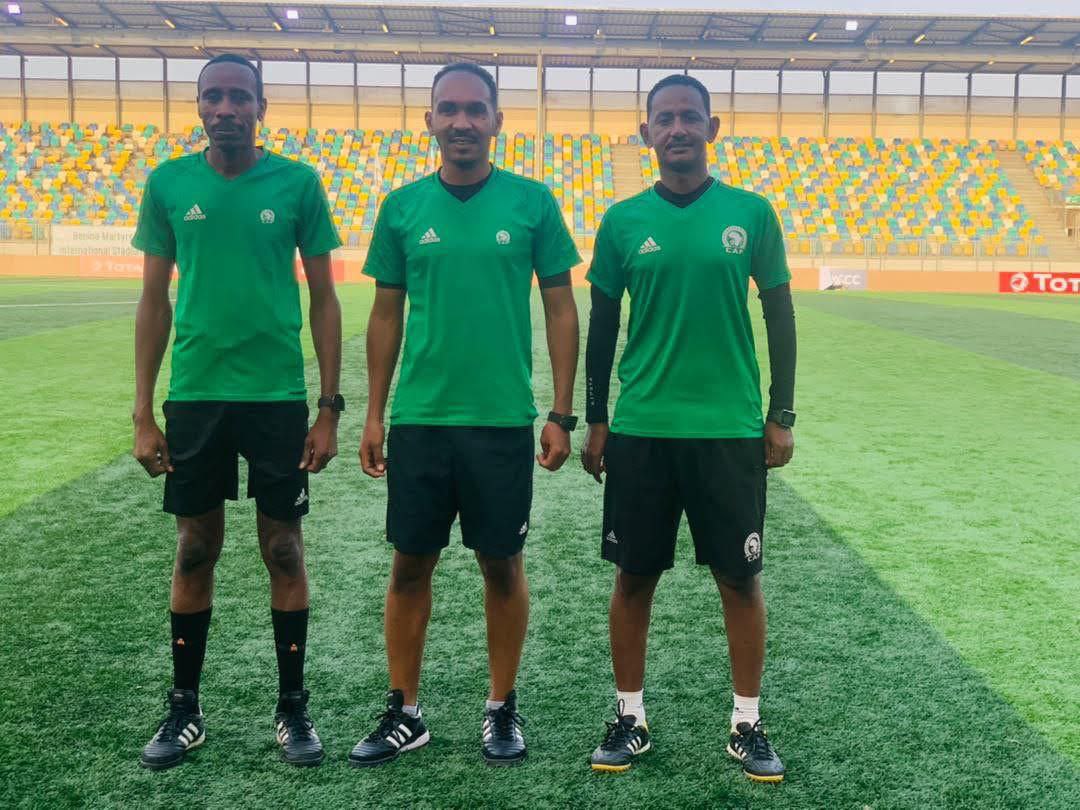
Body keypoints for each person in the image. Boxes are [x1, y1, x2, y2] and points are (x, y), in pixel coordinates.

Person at [350, 62, 581, 768]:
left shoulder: (533, 202)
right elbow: (385, 315)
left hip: (501, 420)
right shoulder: (402, 207)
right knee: (408, 567)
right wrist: (374, 414)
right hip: (421, 419)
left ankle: (501, 707)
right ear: (429, 120)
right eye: (448, 109)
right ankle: (404, 711)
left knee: (502, 566)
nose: (461, 122)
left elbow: (561, 307)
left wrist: (562, 411)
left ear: (496, 121)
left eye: (475, 109)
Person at [581, 74, 797, 782]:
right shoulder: (621, 221)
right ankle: (630, 718)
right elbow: (602, 328)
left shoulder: (751, 213)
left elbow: (779, 315)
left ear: (713, 127)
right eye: (665, 118)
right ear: (646, 131)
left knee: (740, 577)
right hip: (643, 428)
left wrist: (781, 413)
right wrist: (596, 418)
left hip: (729, 429)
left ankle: (747, 723)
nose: (677, 128)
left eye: (690, 117)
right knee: (633, 577)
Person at [130, 53, 343, 770]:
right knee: (195, 548)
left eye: (239, 97)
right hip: (195, 395)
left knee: (284, 549)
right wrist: (142, 412)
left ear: (260, 107)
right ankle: (184, 709)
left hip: (276, 397)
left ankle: (293, 707)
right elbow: (153, 301)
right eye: (213, 97)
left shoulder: (297, 183)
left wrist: (328, 408)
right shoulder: (168, 183)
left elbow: (324, 299)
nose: (225, 109)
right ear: (199, 106)